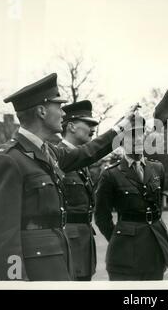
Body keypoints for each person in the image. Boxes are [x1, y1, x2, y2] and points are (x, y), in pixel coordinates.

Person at [0, 73, 136, 281]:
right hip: (36, 274)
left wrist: (121, 127)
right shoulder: (8, 160)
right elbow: (0, 239)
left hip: (59, 265)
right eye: (59, 106)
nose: (64, 113)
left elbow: (87, 152)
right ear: (42, 111)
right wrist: (16, 285)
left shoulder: (49, 152)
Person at [95, 115, 168, 280]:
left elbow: (157, 207)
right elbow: (101, 216)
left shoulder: (157, 168)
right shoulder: (111, 174)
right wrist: (119, 237)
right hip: (125, 250)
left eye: (141, 134)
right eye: (132, 135)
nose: (138, 139)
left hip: (155, 244)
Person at [58, 100, 99, 281]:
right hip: (68, 239)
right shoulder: (58, 156)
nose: (93, 129)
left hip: (84, 237)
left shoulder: (81, 161)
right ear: (72, 127)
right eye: (88, 124)